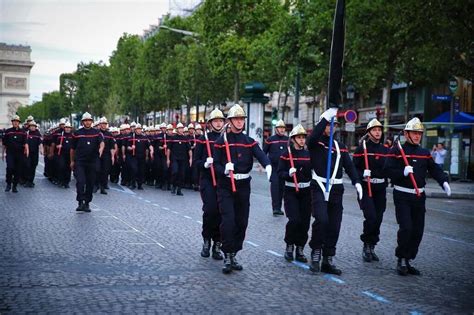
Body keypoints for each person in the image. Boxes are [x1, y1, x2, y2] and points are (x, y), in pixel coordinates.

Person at [384, 117, 450, 276]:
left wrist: (444, 182)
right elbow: (386, 170)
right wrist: (402, 173)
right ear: (406, 134)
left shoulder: (424, 152)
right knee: (406, 227)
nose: (417, 136)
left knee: (417, 231)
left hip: (419, 196)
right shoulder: (397, 150)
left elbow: (434, 169)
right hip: (402, 195)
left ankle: (408, 259)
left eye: (419, 133)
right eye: (414, 133)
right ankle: (400, 259)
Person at [213, 104, 271, 274]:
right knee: (228, 221)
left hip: (243, 186)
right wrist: (224, 167)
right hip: (226, 185)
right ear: (229, 121)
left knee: (241, 222)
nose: (240, 122)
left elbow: (261, 155)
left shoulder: (249, 142)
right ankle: (227, 255)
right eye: (236, 119)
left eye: (242, 119)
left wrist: (268, 166)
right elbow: (215, 165)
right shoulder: (221, 142)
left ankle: (234, 252)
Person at [307, 108, 362, 275]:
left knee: (334, 226)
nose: (331, 128)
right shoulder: (316, 144)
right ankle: (316, 252)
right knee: (321, 220)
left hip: (337, 189)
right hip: (320, 186)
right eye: (329, 125)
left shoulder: (341, 147)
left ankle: (328, 258)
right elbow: (312, 138)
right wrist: (325, 116)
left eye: (334, 125)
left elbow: (350, 166)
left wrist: (357, 182)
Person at [353, 119, 389, 262]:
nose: (377, 132)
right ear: (369, 132)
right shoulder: (362, 148)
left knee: (378, 219)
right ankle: (366, 244)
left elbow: (389, 168)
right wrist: (362, 174)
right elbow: (353, 167)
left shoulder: (386, 150)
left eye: (379, 130)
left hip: (380, 188)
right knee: (371, 217)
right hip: (365, 187)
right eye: (374, 130)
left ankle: (372, 245)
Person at [194, 109, 225, 260]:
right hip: (207, 179)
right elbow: (195, 162)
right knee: (210, 210)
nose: (218, 123)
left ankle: (217, 244)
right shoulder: (202, 139)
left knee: (221, 213)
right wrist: (205, 164)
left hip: (222, 180)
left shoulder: (226, 139)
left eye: (221, 121)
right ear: (210, 123)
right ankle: (207, 240)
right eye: (216, 121)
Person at [278, 124, 312, 263]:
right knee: (294, 220)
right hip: (291, 191)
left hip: (306, 191)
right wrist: (288, 174)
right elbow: (279, 173)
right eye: (299, 137)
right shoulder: (286, 154)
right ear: (293, 139)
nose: (302, 140)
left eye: (303, 137)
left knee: (305, 222)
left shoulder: (309, 154)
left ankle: (300, 248)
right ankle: (289, 245)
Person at [70, 112, 104, 212]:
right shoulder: (77, 133)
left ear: (91, 121)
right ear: (83, 122)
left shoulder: (97, 132)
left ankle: (87, 203)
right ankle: (80, 202)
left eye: (89, 120)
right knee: (80, 182)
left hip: (92, 162)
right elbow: (72, 149)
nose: (88, 122)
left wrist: (100, 150)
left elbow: (102, 143)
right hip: (80, 161)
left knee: (90, 183)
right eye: (86, 121)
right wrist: (72, 161)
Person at [264, 119, 289, 216]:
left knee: (282, 188)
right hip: (273, 168)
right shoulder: (270, 140)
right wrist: (265, 165)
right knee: (275, 187)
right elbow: (264, 152)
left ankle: (279, 208)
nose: (282, 130)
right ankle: (275, 208)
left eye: (283, 128)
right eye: (280, 128)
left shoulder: (288, 140)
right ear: (276, 129)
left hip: (283, 168)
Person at [122, 124, 153, 190]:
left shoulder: (144, 137)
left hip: (142, 157)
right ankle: (133, 183)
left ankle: (140, 184)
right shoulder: (131, 137)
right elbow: (127, 146)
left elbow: (149, 145)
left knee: (141, 171)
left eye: (140, 129)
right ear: (135, 130)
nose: (139, 130)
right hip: (133, 156)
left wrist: (151, 150)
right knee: (134, 169)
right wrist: (131, 148)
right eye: (138, 129)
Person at [3, 115, 29, 193]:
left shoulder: (23, 132)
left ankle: (14, 186)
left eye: (17, 121)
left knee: (18, 170)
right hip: (10, 153)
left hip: (19, 154)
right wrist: (2, 153)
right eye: (14, 121)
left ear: (19, 123)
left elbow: (26, 143)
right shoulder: (8, 131)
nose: (15, 123)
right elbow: (4, 144)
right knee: (10, 168)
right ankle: (8, 184)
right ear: (12, 122)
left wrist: (27, 151)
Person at [166, 123, 192, 196]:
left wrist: (190, 158)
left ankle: (179, 190)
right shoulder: (173, 138)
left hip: (183, 159)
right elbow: (168, 149)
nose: (181, 130)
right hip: (174, 158)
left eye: (182, 128)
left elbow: (189, 149)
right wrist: (168, 159)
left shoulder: (186, 139)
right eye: (180, 128)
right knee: (175, 172)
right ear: (177, 129)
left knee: (182, 174)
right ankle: (174, 186)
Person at [51, 122, 74, 188]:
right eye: (66, 127)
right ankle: (61, 180)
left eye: (69, 128)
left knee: (68, 168)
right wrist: (58, 146)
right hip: (61, 154)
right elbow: (56, 144)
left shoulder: (73, 136)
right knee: (61, 166)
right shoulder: (60, 136)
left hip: (69, 154)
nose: (67, 129)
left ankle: (66, 182)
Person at [97, 117, 116, 194]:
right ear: (100, 124)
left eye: (105, 124)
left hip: (106, 155)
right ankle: (95, 185)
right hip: (97, 154)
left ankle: (103, 187)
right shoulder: (96, 133)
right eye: (102, 124)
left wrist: (112, 156)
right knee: (97, 170)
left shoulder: (109, 134)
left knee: (105, 171)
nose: (104, 125)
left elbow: (112, 146)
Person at [24, 120, 42, 188]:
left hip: (35, 153)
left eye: (34, 126)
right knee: (28, 166)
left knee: (33, 166)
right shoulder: (27, 133)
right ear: (29, 127)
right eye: (31, 126)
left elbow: (40, 143)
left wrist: (41, 150)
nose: (32, 127)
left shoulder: (38, 134)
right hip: (28, 153)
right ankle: (27, 180)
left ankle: (31, 181)